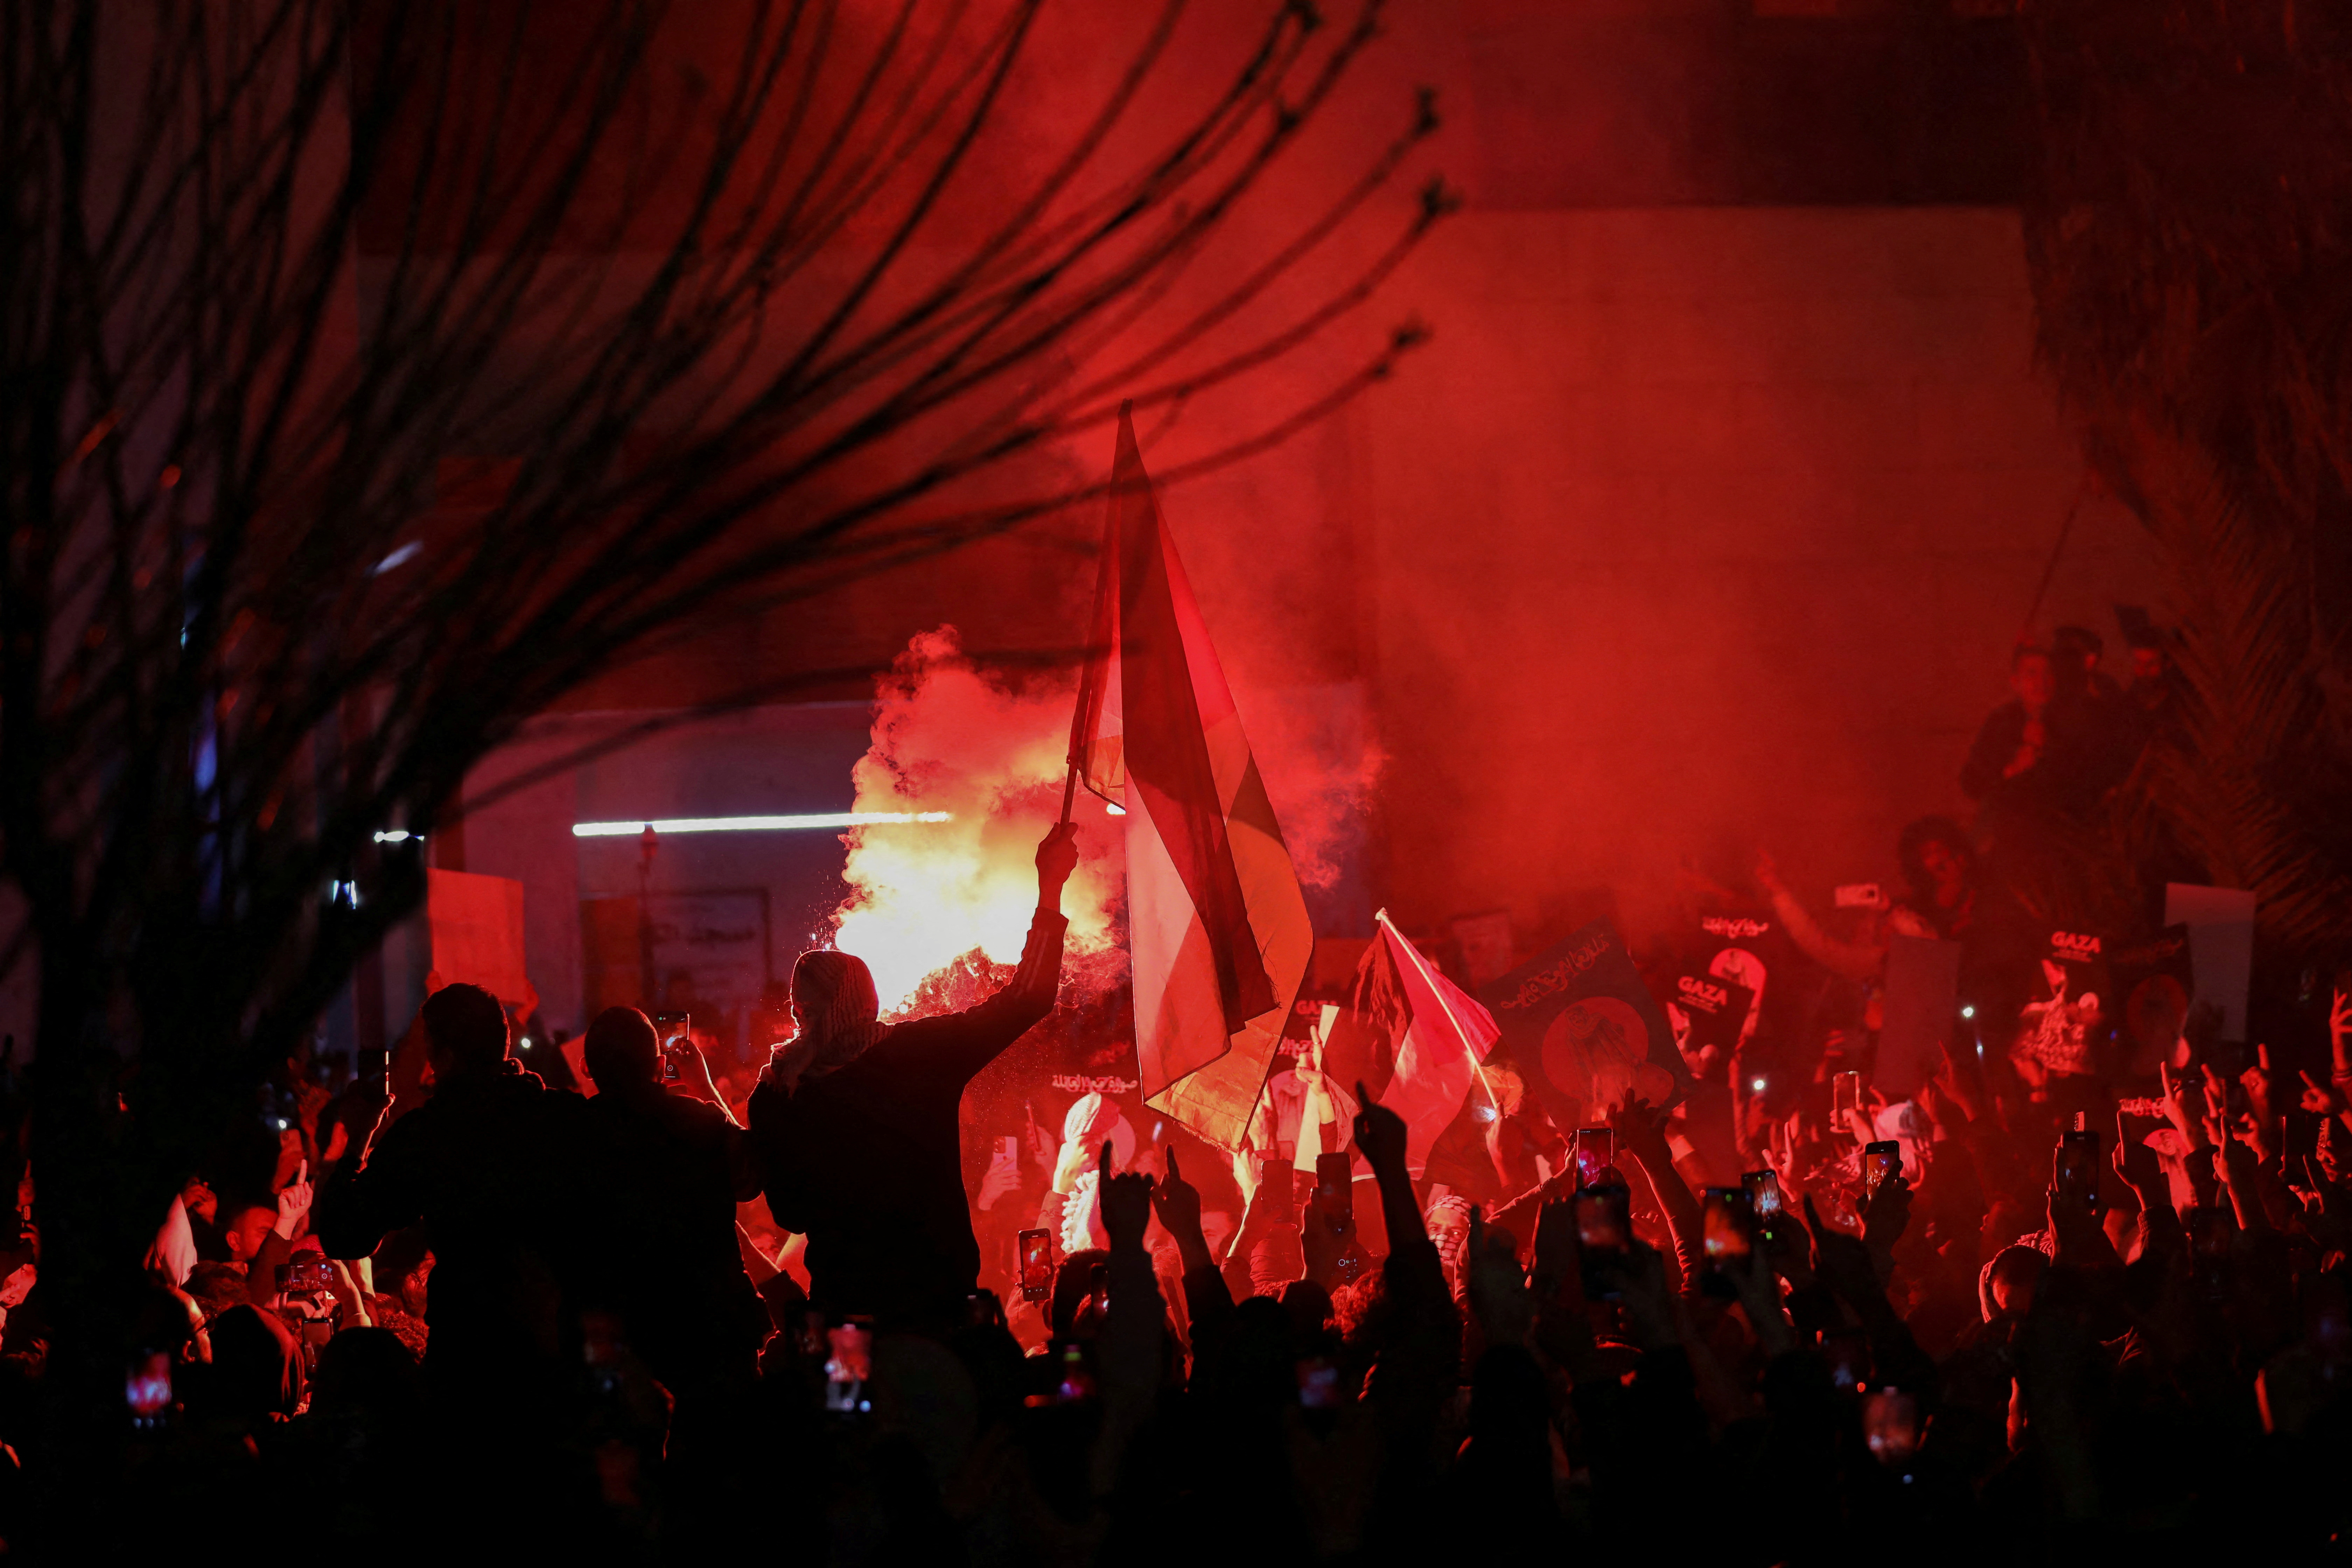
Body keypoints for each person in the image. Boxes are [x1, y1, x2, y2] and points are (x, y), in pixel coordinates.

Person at [748, 822, 1078, 1330]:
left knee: (851, 1389)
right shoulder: (917, 1054)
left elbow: (791, 1215)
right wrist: (1050, 888)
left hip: (845, 1319)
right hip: (940, 1313)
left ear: (798, 1009)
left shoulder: (776, 1091)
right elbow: (1027, 999)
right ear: (867, 998)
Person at [313, 982, 590, 1393]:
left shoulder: (430, 1133)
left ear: (444, 1056)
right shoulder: (564, 1117)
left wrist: (359, 1139)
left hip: (469, 1359)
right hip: (562, 1353)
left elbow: (345, 1234)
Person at [576, 1006, 766, 1409]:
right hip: (712, 1335)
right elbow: (750, 1179)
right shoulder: (701, 1123)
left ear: (586, 1069)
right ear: (661, 1065)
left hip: (617, 1346)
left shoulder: (569, 1133)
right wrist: (704, 1087)